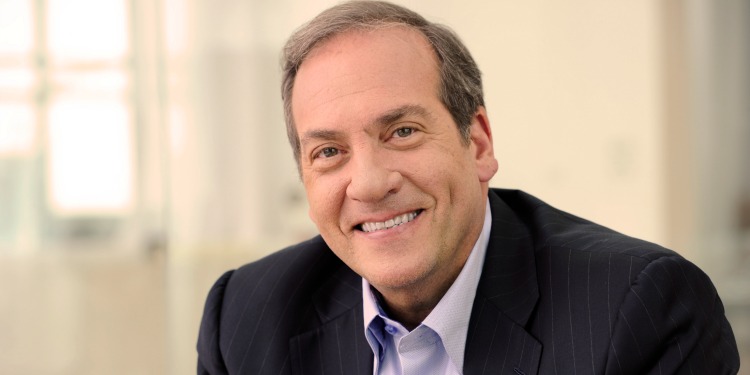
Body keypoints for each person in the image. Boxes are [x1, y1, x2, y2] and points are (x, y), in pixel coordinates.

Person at [197, 1, 740, 374]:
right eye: (329, 152)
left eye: (402, 131)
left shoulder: (641, 310)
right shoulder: (246, 318)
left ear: (477, 143)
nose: (368, 182)